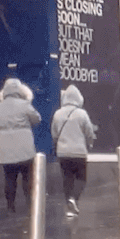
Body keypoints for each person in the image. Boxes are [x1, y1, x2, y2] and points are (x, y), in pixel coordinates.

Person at [0, 76, 41, 213]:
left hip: (5, 149)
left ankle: (10, 206)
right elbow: (37, 119)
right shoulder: (24, 105)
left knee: (9, 178)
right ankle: (30, 205)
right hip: (24, 149)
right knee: (27, 178)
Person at [51, 85, 97, 217]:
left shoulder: (57, 114)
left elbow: (54, 134)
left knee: (67, 179)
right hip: (79, 152)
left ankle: (70, 207)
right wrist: (90, 143)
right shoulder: (82, 114)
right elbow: (89, 132)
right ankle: (74, 199)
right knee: (82, 178)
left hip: (63, 153)